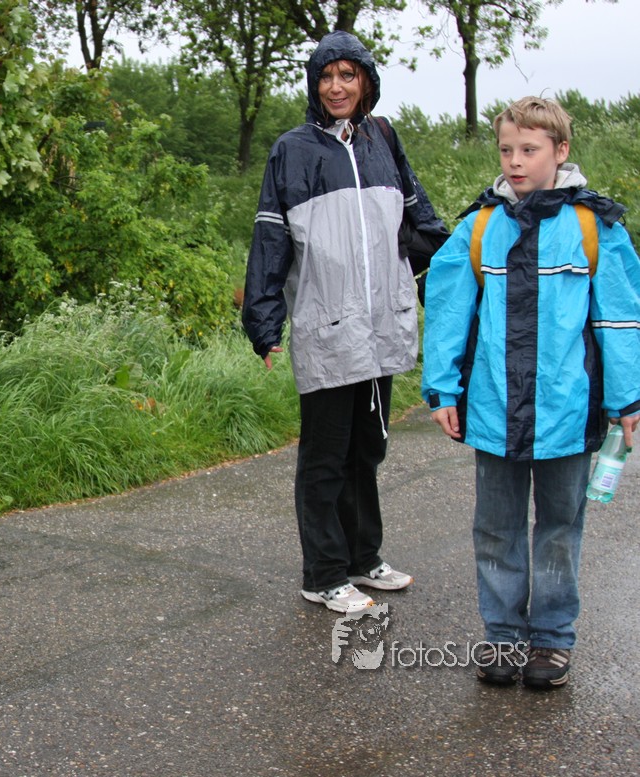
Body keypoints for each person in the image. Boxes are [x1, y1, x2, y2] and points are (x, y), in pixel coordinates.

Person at [421, 96, 640, 689]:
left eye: (529, 150)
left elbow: (619, 319)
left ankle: (551, 639)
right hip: (494, 411)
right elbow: (448, 312)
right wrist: (442, 389)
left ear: (560, 151)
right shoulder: (480, 226)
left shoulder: (595, 228)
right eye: (506, 150)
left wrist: (627, 399)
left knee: (559, 529)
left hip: (570, 413)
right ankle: (503, 637)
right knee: (496, 528)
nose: (515, 161)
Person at [241, 31, 448, 613]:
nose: (337, 87)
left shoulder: (383, 138)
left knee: (367, 449)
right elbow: (270, 238)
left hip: (381, 325)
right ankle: (324, 573)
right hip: (328, 326)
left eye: (348, 75)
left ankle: (362, 558)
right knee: (326, 456)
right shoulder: (292, 150)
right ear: (315, 84)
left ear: (366, 82)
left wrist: (447, 288)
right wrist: (264, 321)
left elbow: (421, 221)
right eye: (327, 76)